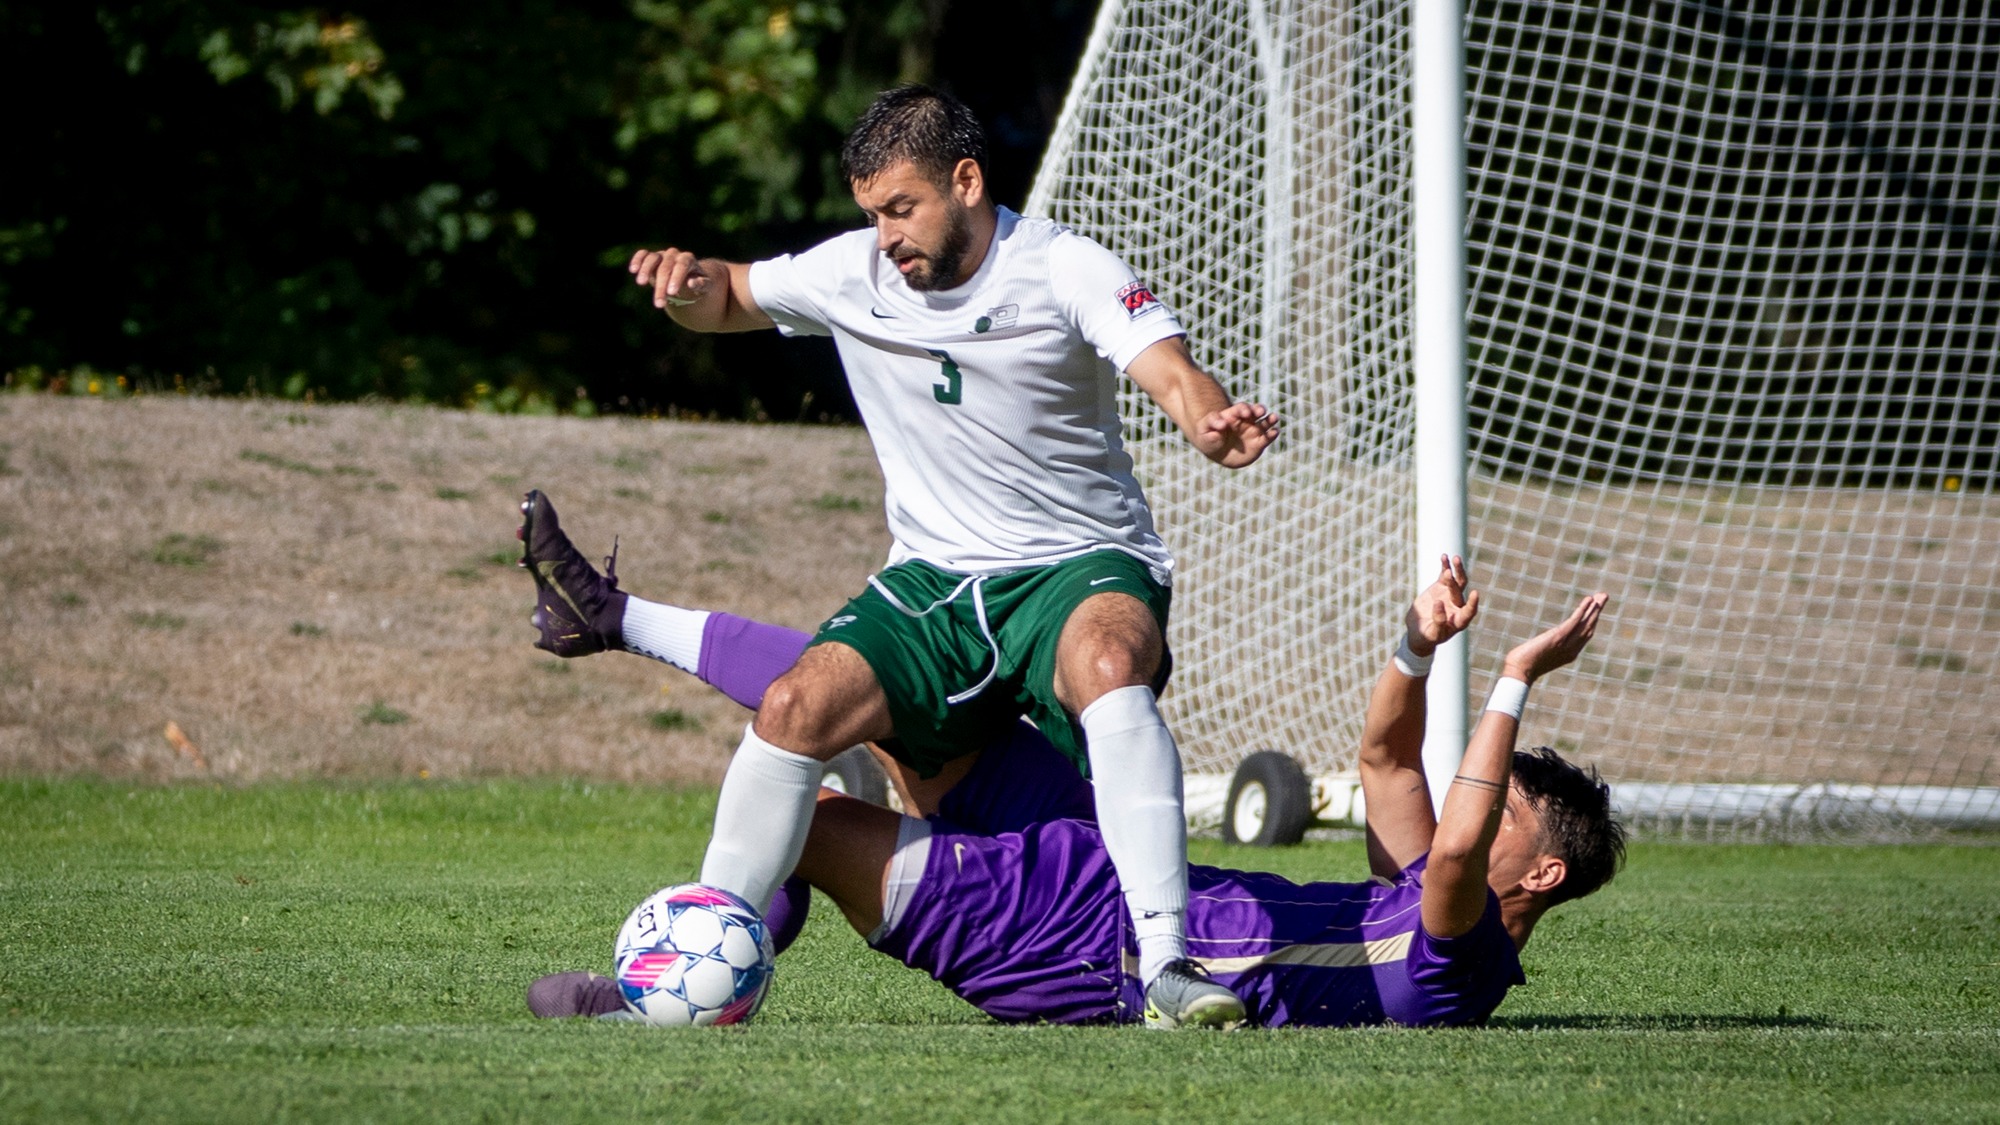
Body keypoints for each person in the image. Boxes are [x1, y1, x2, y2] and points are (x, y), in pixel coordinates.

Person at [524, 84, 1278, 1028]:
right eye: (871, 214)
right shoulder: (854, 272)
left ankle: (1166, 964)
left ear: (966, 181)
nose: (885, 236)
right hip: (934, 580)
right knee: (795, 707)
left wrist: (1207, 422)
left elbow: (1166, 365)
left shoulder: (1063, 265)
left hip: (1078, 562)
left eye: (900, 208)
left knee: (1108, 661)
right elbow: (731, 296)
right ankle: (688, 982)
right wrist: (688, 287)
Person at [528, 557, 1625, 1028]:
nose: (1473, 808)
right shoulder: (1416, 903)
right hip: (1115, 866)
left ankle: (670, 998)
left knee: (808, 823)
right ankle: (619, 617)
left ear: (1540, 872)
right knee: (918, 705)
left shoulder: (1457, 963)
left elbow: (1452, 851)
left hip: (1075, 946)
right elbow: (1386, 762)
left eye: (1502, 809)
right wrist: (1416, 645)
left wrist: (1514, 678)